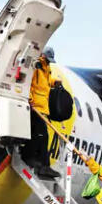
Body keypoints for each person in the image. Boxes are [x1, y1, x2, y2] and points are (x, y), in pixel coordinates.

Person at [23, 46, 61, 180]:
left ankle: (42, 164)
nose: (49, 61)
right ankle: (33, 160)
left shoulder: (46, 69)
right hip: (35, 107)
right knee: (40, 135)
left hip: (43, 107)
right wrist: (30, 100)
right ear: (43, 56)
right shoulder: (36, 66)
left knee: (42, 136)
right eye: (48, 58)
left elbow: (45, 83)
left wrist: (54, 82)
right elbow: (28, 84)